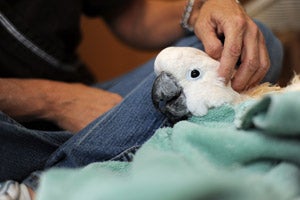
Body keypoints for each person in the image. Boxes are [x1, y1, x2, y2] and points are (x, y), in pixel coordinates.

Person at [0, 0, 283, 199]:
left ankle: (37, 185)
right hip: (14, 130)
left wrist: (200, 9)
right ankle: (55, 182)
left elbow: (132, 13)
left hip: (88, 104)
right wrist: (55, 101)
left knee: (248, 44)